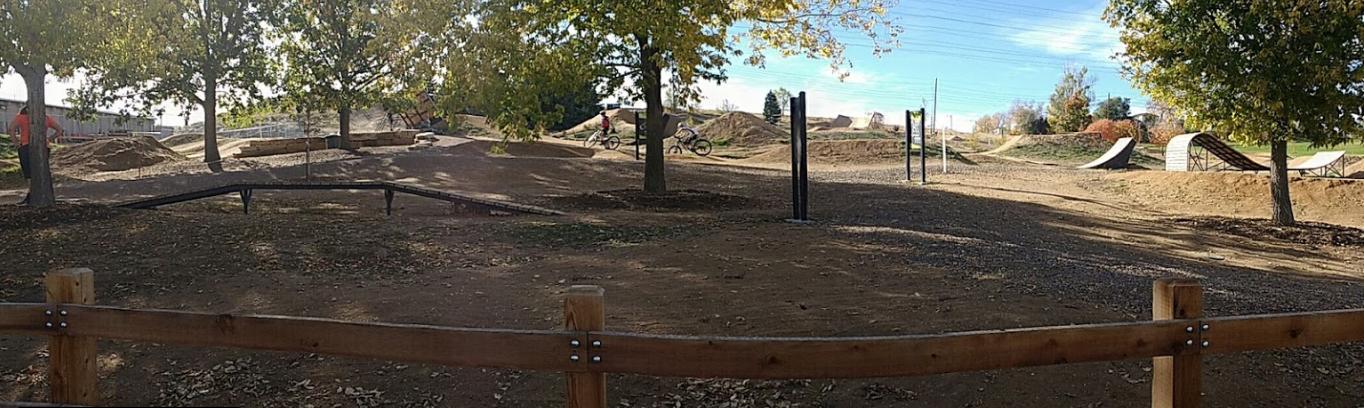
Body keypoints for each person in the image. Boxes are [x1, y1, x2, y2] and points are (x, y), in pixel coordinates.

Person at [7, 106, 64, 205]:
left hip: (26, 146)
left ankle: (31, 195)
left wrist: (16, 143)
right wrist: (49, 139)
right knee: (41, 171)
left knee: (28, 172)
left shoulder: (21, 117)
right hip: (43, 147)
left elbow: (11, 129)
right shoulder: (45, 118)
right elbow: (59, 130)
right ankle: (37, 194)